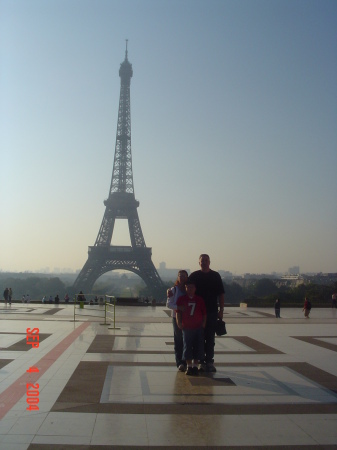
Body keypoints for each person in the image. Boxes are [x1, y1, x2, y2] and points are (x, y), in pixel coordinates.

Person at [188, 254, 225, 373]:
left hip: (211, 311)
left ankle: (208, 361)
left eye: (206, 260)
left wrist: (221, 310)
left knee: (209, 337)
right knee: (200, 338)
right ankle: (203, 362)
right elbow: (186, 290)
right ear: (199, 262)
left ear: (209, 262)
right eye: (202, 260)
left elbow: (221, 294)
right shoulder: (194, 276)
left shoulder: (214, 276)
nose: (204, 262)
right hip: (198, 312)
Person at [176, 280, 207, 376]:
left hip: (197, 327)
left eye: (191, 287)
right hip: (187, 327)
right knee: (187, 346)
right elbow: (178, 313)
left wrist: (203, 324)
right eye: (188, 287)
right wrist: (179, 323)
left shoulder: (199, 299)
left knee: (197, 346)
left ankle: (195, 365)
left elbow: (204, 314)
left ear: (195, 289)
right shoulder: (181, 299)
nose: (190, 289)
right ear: (185, 288)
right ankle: (189, 366)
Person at [166, 270, 189, 371]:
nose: (182, 277)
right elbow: (168, 304)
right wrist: (178, 307)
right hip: (176, 317)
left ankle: (185, 361)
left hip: (188, 317)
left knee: (185, 340)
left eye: (184, 276)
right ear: (178, 277)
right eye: (181, 276)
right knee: (179, 340)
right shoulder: (173, 290)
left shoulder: (189, 289)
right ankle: (180, 362)